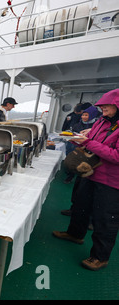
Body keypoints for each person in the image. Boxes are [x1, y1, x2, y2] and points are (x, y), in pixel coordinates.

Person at [53, 88, 119, 271]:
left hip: (111, 181)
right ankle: (75, 234)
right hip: (90, 172)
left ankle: (100, 257)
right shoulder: (101, 121)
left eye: (106, 105)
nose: (102, 108)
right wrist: (77, 138)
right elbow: (90, 139)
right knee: (80, 206)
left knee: (105, 219)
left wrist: (88, 143)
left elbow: (116, 155)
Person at [63, 105, 99, 184]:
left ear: (92, 115)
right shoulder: (77, 125)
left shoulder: (96, 127)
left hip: (88, 149)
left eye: (86, 115)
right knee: (71, 162)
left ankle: (83, 177)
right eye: (83, 115)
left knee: (84, 164)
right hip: (75, 146)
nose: (83, 117)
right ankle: (70, 176)